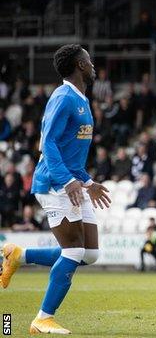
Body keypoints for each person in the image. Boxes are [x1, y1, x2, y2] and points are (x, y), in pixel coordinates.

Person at [0, 44, 111, 334]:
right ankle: (42, 318)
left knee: (89, 254)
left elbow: (70, 152)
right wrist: (69, 181)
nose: (93, 64)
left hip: (72, 181)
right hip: (53, 184)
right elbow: (47, 145)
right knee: (73, 251)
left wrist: (87, 181)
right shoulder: (62, 98)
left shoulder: (82, 100)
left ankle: (19, 255)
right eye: (88, 60)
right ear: (80, 66)